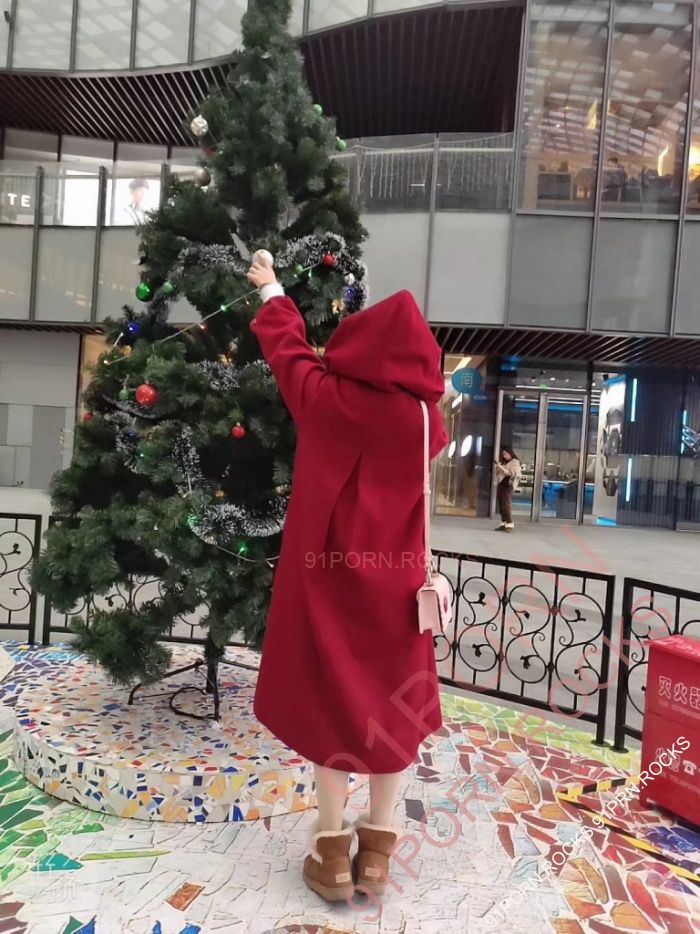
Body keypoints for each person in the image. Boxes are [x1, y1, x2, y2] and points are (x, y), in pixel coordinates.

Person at [246, 254, 448, 903]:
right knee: (394, 713)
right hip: (397, 590)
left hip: (325, 584)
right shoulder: (424, 421)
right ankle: (378, 854)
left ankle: (331, 854)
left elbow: (289, 353)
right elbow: (433, 435)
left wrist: (272, 288)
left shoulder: (326, 399)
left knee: (331, 711)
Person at [494, 446, 521, 532]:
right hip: (501, 484)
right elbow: (499, 473)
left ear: (510, 453)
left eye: (505, 454)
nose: (504, 456)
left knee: (506, 504)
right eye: (503, 454)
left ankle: (510, 523)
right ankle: (504, 522)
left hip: (508, 485)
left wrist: (501, 467)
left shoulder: (515, 462)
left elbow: (511, 474)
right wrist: (498, 467)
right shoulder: (505, 462)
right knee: (501, 504)